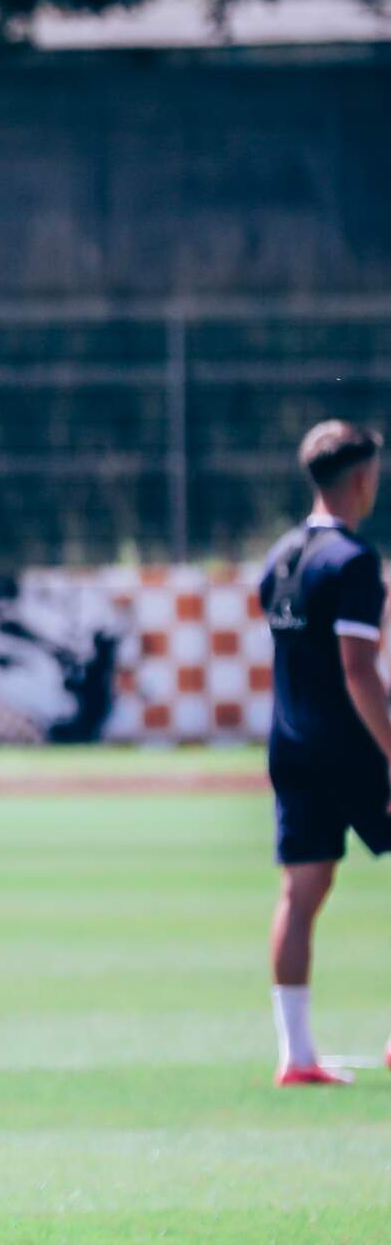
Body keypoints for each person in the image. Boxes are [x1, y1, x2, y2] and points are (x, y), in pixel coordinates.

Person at [258, 420, 389, 1087]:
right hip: (352, 749)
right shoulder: (356, 561)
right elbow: (357, 669)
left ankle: (297, 1055)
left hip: (291, 744)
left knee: (301, 894)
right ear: (363, 478)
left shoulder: (279, 557)